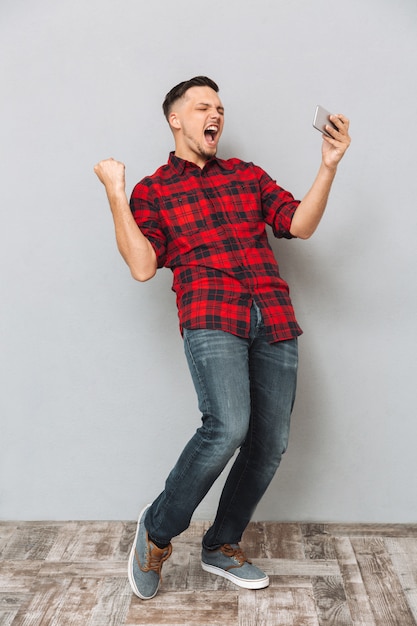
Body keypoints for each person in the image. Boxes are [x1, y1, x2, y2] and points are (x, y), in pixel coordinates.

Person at [94, 76, 350, 600]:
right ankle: (158, 531)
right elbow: (143, 267)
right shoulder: (154, 190)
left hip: (272, 314)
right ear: (176, 119)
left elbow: (298, 225)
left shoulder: (246, 175)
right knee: (227, 426)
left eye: (221, 107)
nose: (216, 115)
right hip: (212, 313)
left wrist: (328, 165)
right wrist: (115, 194)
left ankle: (222, 543)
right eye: (204, 106)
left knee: (270, 442)